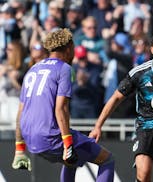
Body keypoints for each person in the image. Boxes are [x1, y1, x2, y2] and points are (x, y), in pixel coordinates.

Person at [11, 28, 114, 182]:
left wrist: (19, 149)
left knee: (72, 161)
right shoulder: (64, 68)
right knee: (107, 159)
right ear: (68, 48)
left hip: (30, 138)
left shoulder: (32, 69)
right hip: (50, 136)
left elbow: (20, 111)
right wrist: (68, 143)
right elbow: (61, 108)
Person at [89, 31, 153, 182]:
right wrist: (98, 126)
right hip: (146, 129)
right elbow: (116, 98)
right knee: (143, 173)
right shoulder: (140, 73)